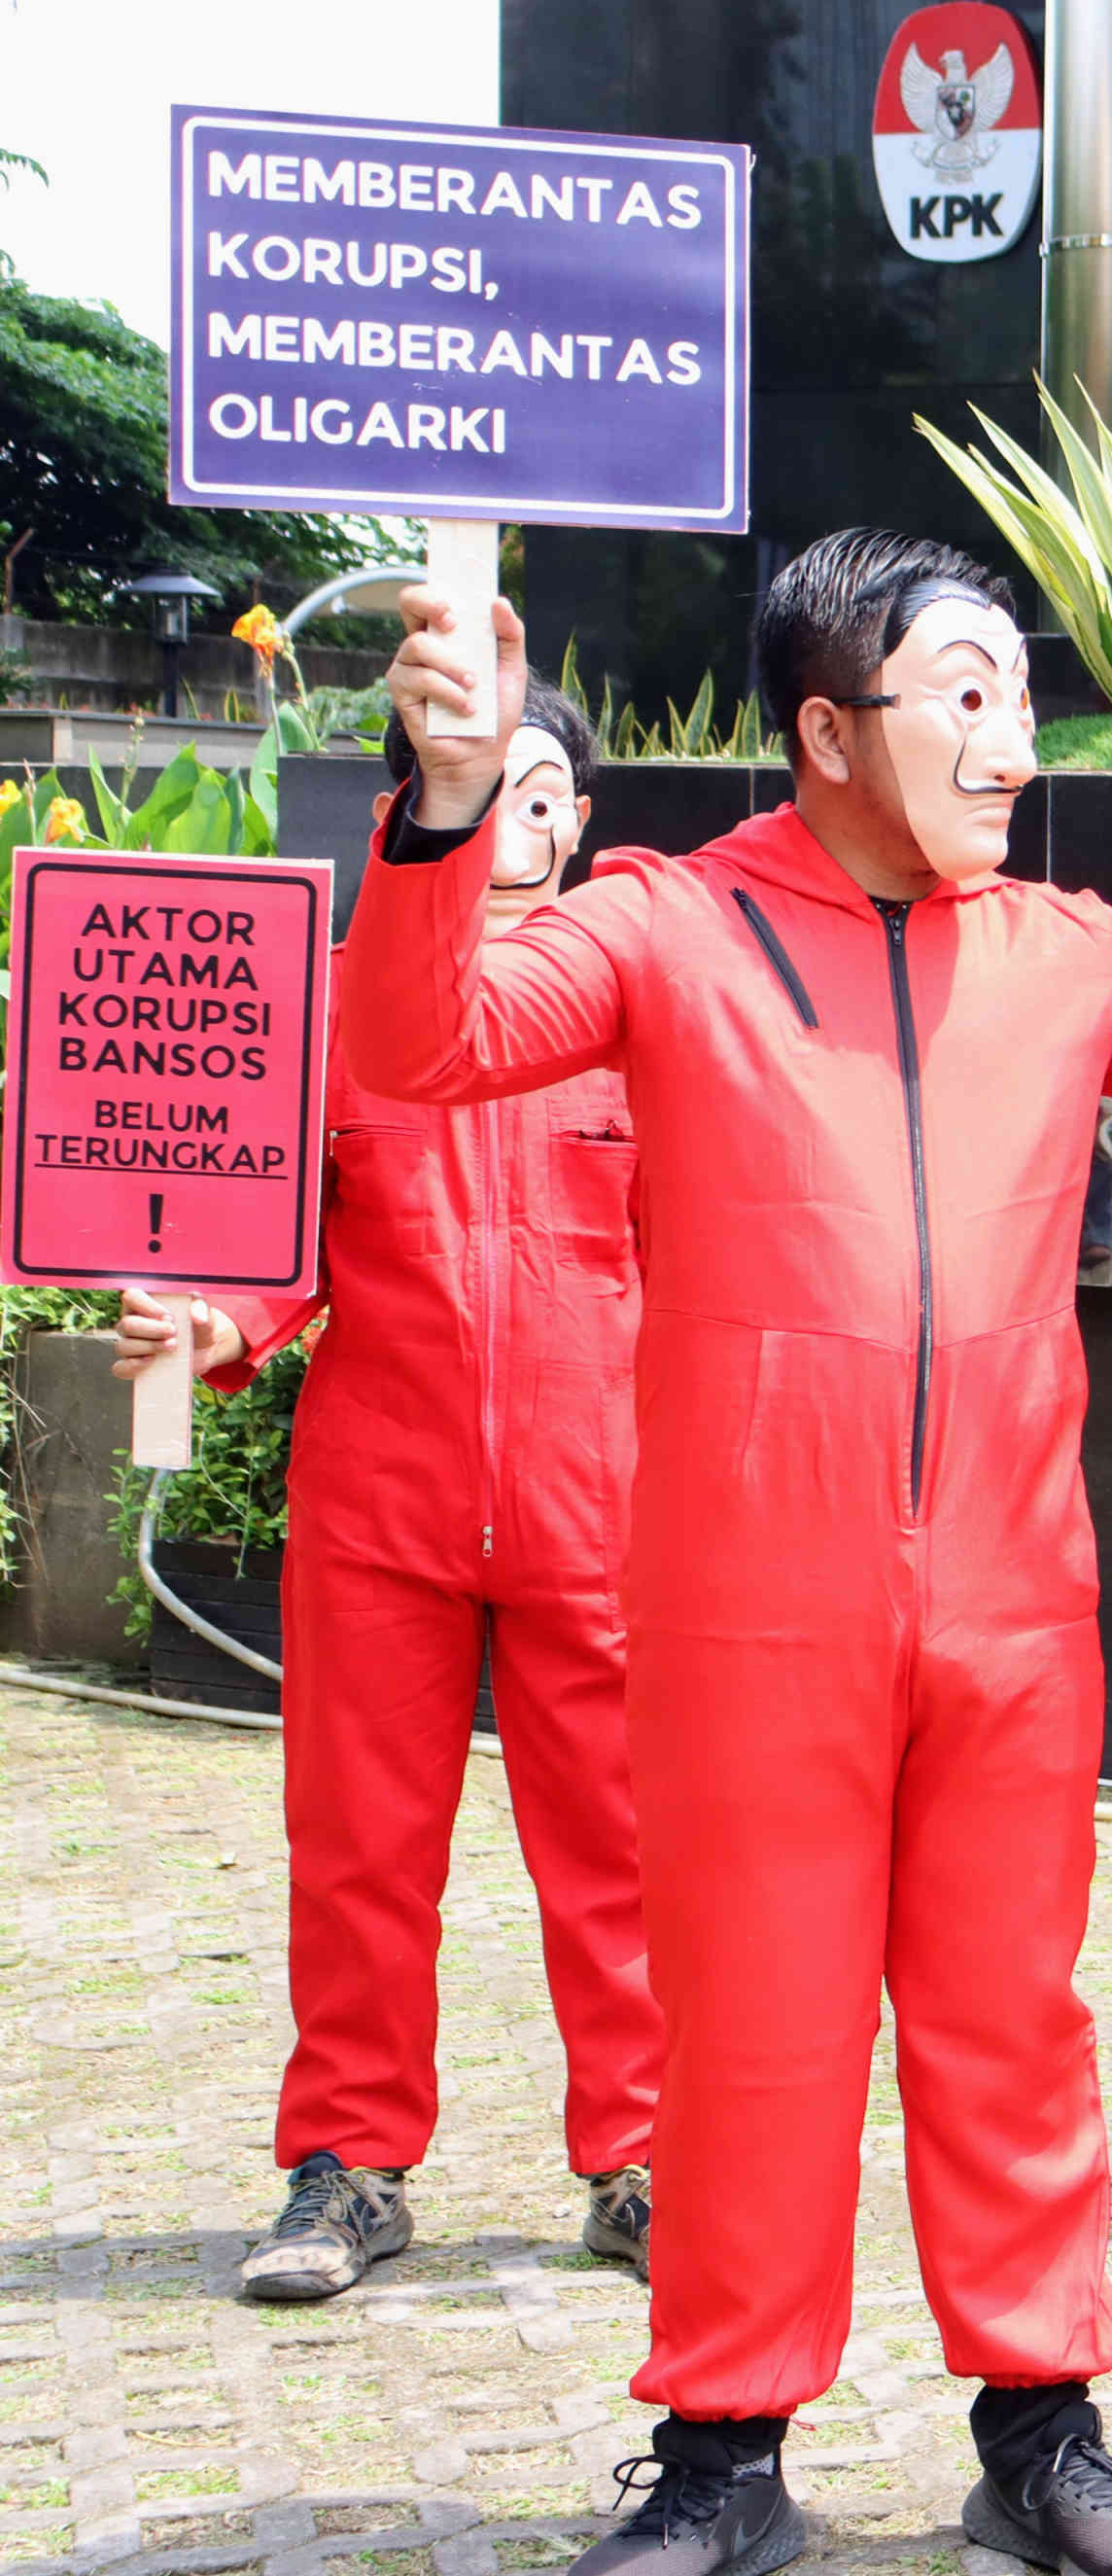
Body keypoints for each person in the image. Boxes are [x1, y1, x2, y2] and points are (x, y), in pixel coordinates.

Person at [345, 535, 1112, 2576]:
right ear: (825, 729)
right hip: (735, 1602)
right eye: (958, 689)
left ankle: (1039, 2422)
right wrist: (436, 811)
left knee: (1008, 2024)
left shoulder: (1069, 947)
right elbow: (421, 1048)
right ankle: (720, 2449)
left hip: (1010, 1601)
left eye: (1013, 686)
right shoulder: (661, 927)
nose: (1007, 730)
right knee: (751, 2036)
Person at [115, 688, 661, 2306]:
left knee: (627, 1844)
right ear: (430, 805)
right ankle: (345, 2169)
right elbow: (259, 1245)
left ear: (578, 828)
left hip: (604, 1502)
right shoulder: (340, 1011)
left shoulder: (642, 1012)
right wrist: (204, 1332)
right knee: (357, 1844)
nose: (526, 819)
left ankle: (641, 2158)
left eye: (554, 793)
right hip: (380, 1502)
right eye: (490, 786)